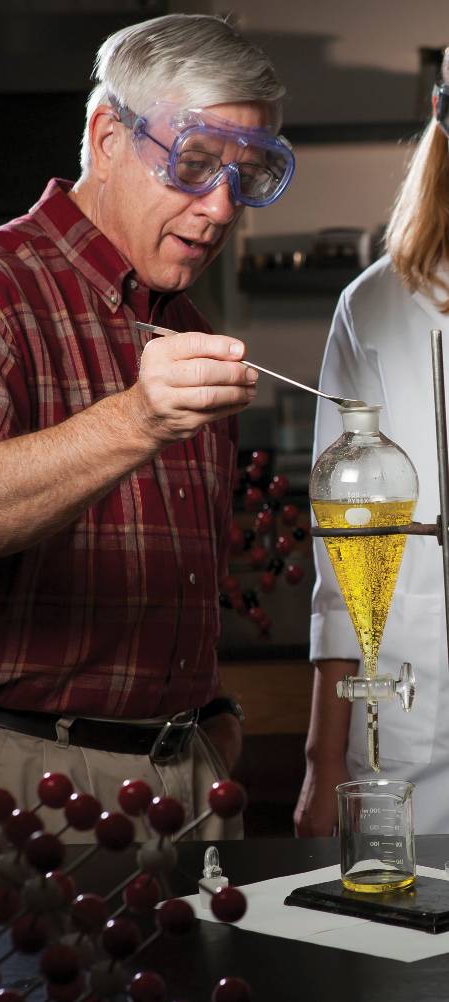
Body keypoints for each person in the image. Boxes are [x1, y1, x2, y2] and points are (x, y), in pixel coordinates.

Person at [0, 13, 294, 845]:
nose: (220, 209)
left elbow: (169, 575)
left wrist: (208, 715)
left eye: (245, 179)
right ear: (107, 137)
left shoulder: (184, 320)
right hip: (9, 773)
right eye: (197, 165)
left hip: (185, 774)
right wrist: (136, 419)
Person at [294, 48, 449, 837]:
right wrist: (323, 763)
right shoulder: (378, 306)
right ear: (441, 117)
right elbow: (341, 556)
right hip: (415, 731)